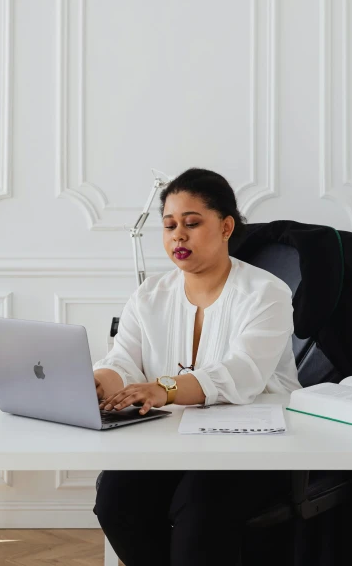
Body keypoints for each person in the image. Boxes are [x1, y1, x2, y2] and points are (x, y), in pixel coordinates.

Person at [92, 167, 301, 566]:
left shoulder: (266, 293)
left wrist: (163, 388)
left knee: (199, 510)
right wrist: (99, 383)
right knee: (117, 500)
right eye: (169, 226)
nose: (178, 236)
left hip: (252, 445)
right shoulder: (149, 294)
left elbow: (244, 373)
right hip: (170, 440)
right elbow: (123, 358)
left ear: (225, 227)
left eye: (191, 223)